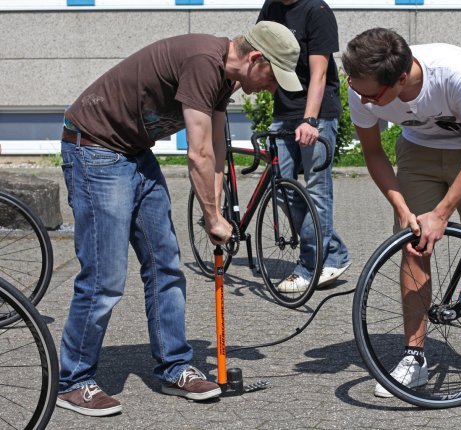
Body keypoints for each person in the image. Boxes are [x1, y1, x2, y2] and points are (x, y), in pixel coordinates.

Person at [56, 21, 302, 417]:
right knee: (104, 277)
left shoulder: (226, 77)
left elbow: (217, 148)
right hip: (96, 149)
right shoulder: (204, 62)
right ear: (256, 58)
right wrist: (209, 216)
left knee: (165, 265)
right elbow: (197, 154)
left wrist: (218, 213)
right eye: (273, 77)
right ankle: (73, 381)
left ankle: (174, 367)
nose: (271, 88)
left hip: (134, 151)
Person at [341, 28, 461, 398]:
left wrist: (442, 213)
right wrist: (401, 207)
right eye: (357, 89)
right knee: (413, 246)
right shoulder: (362, 86)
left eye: (371, 96)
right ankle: (414, 359)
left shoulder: (456, 73)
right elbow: (373, 153)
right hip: (418, 149)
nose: (362, 101)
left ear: (400, 79)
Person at [257, 0, 350, 293]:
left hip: (317, 114)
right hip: (284, 111)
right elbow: (258, 53)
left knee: (316, 190)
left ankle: (310, 264)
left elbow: (320, 73)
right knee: (281, 188)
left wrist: (309, 119)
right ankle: (333, 251)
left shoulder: (317, 11)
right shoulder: (271, 7)